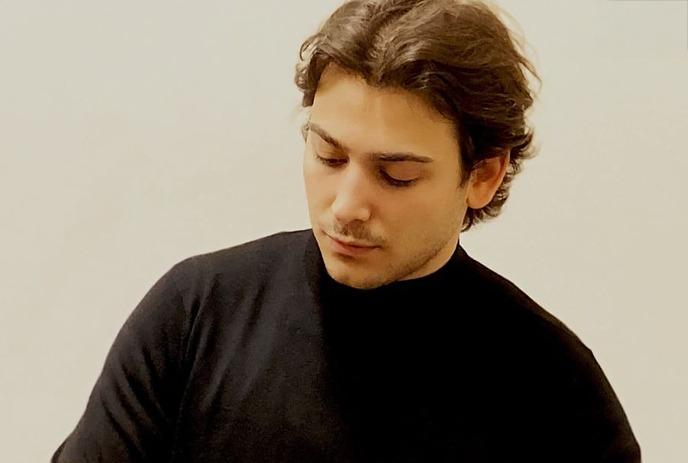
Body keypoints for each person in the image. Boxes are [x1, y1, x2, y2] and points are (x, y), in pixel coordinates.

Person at [52, 0, 641, 461]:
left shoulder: (557, 395)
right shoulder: (195, 314)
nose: (347, 206)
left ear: (483, 175)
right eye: (329, 158)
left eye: (397, 175)